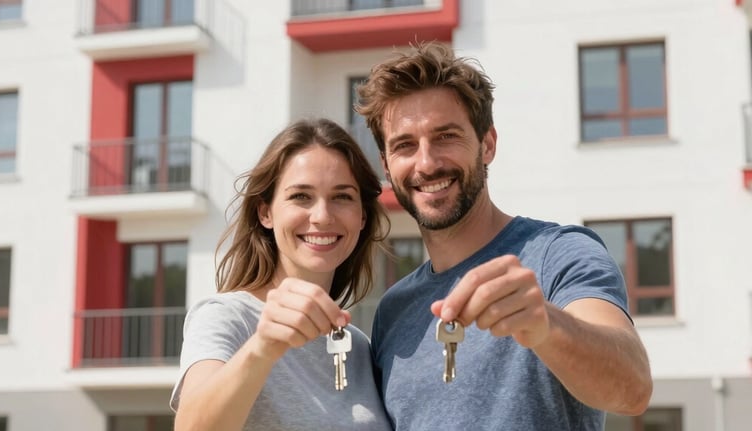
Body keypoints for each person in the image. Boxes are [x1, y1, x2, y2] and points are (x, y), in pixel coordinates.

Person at [355, 41, 653, 430]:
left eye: (446, 136)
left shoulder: (559, 254)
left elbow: (632, 388)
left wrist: (545, 324)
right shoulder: (392, 310)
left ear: (487, 145)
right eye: (405, 145)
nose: (426, 163)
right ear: (387, 165)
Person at [170, 118, 392, 431]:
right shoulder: (228, 318)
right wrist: (263, 347)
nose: (322, 216)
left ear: (362, 216)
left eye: (342, 197)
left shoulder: (358, 347)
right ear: (266, 212)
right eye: (301, 196)